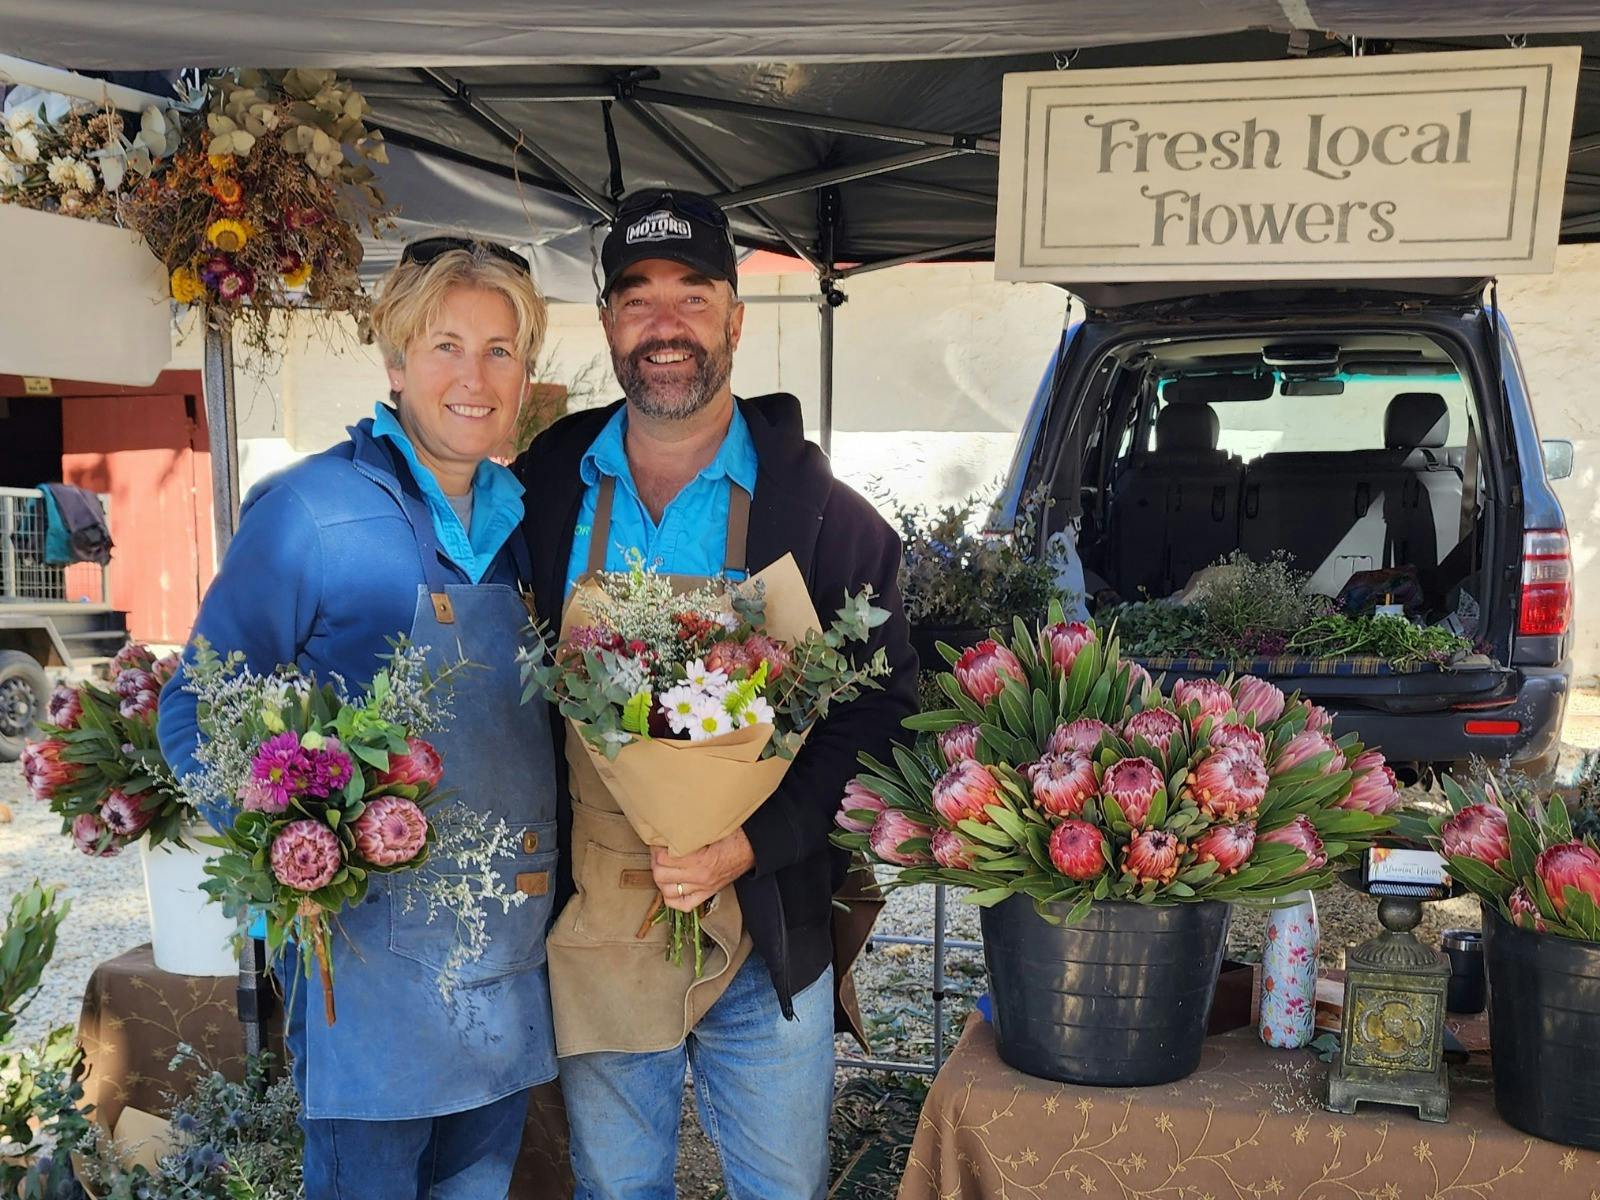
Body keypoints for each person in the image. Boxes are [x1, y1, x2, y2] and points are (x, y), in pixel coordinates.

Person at [516, 189, 919, 1199]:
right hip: (601, 923)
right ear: (606, 323)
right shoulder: (542, 493)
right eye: (636, 299)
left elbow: (878, 714)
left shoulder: (829, 518)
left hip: (766, 926)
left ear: (735, 320)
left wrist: (751, 841)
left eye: (692, 298)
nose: (664, 327)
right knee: (617, 1189)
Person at [158, 237, 557, 1200]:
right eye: (445, 345)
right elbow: (195, 706)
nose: (475, 376)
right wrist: (286, 847)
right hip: (367, 982)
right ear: (393, 360)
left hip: (505, 966)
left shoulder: (532, 526)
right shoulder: (312, 512)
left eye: (501, 350)